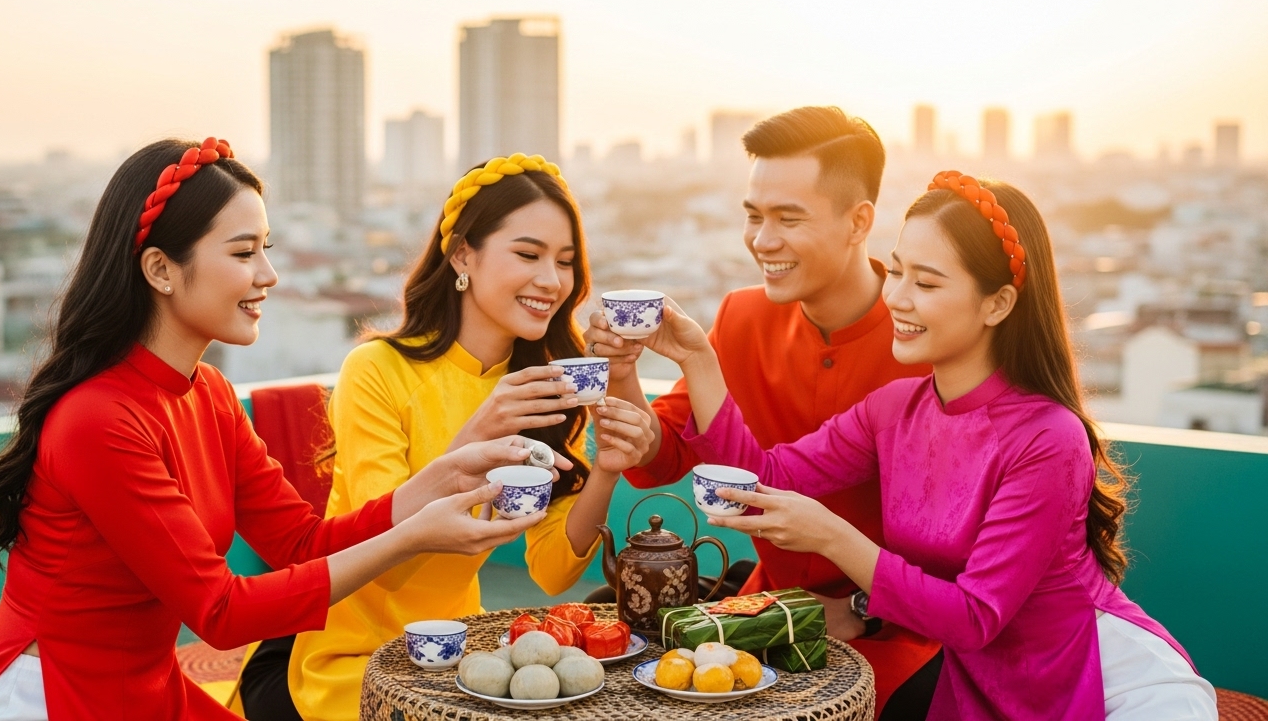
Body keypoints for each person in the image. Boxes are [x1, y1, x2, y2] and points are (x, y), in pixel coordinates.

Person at [0, 138, 550, 721]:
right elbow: (221, 612)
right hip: (53, 697)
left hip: (147, 693)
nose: (268, 275)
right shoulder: (98, 420)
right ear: (160, 269)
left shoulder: (211, 393)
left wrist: (435, 482)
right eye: (242, 252)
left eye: (267, 248)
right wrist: (412, 536)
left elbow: (301, 543)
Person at [641, 172, 1217, 719]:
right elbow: (762, 476)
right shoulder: (893, 408)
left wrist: (833, 537)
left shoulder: (1049, 438)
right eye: (896, 272)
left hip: (1095, 680)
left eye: (927, 282)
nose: (897, 298)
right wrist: (700, 361)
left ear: (998, 303)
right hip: (974, 679)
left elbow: (975, 617)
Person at [239, 154, 654, 720]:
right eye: (528, 254)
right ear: (463, 254)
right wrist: (476, 434)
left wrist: (608, 467)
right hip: (349, 659)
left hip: (459, 658)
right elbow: (383, 564)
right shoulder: (377, 370)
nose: (551, 280)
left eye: (565, 261)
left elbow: (552, 571)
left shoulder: (545, 387)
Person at [584, 107, 941, 717]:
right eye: (753, 215)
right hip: (761, 612)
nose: (762, 240)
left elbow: (953, 555)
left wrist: (858, 611)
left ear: (860, 222)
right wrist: (620, 376)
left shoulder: (925, 341)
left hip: (895, 631)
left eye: (788, 218)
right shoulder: (741, 316)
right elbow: (659, 455)